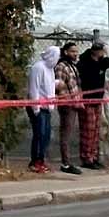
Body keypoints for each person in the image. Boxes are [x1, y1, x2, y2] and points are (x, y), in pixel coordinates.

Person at [76, 41, 109, 170]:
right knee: (88, 131)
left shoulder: (101, 62)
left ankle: (94, 156)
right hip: (88, 100)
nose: (103, 53)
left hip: (97, 100)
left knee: (96, 131)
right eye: (101, 51)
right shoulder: (83, 63)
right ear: (96, 51)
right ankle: (86, 157)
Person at [25, 45, 59, 173]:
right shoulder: (38, 68)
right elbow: (34, 88)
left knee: (46, 135)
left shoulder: (50, 69)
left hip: (46, 107)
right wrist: (36, 108)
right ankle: (35, 161)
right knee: (39, 134)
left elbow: (48, 86)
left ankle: (41, 159)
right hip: (38, 107)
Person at [54, 43, 83, 175]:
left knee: (68, 133)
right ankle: (65, 163)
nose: (75, 54)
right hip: (66, 104)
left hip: (74, 103)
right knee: (65, 134)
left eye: (76, 52)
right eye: (72, 51)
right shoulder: (61, 67)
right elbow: (58, 86)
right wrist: (67, 99)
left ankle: (67, 161)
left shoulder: (72, 66)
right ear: (65, 52)